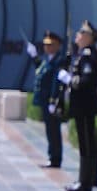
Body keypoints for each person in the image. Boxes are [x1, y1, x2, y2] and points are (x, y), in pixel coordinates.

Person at [62, 20, 97, 191]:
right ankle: (92, 178)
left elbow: (87, 82)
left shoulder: (88, 56)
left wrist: (69, 80)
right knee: (88, 142)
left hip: (84, 106)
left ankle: (84, 182)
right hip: (83, 105)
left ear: (88, 37)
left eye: (81, 33)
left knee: (85, 143)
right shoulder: (84, 54)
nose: (78, 36)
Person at [29, 31, 66, 168]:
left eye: (50, 45)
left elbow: (55, 84)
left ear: (58, 45)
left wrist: (53, 101)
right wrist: (34, 56)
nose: (47, 47)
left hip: (52, 102)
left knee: (53, 130)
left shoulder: (59, 60)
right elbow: (41, 69)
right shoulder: (48, 59)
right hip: (45, 100)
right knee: (50, 130)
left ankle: (55, 158)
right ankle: (52, 156)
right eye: (45, 45)